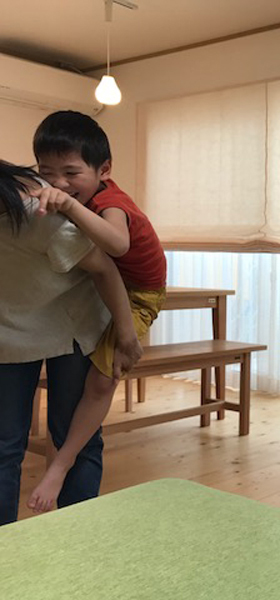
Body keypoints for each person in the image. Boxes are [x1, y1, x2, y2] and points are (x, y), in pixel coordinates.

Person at [27, 110, 167, 513]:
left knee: (103, 382)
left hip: (140, 294)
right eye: (47, 172)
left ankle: (61, 465)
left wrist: (70, 208)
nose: (58, 183)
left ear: (103, 169)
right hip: (108, 286)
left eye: (71, 173)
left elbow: (118, 244)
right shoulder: (75, 193)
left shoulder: (110, 201)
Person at [0, 160, 142, 525]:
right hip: (12, 333)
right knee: (4, 445)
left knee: (74, 436)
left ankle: (79, 536)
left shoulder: (36, 212)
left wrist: (126, 335)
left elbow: (105, 267)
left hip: (73, 326)